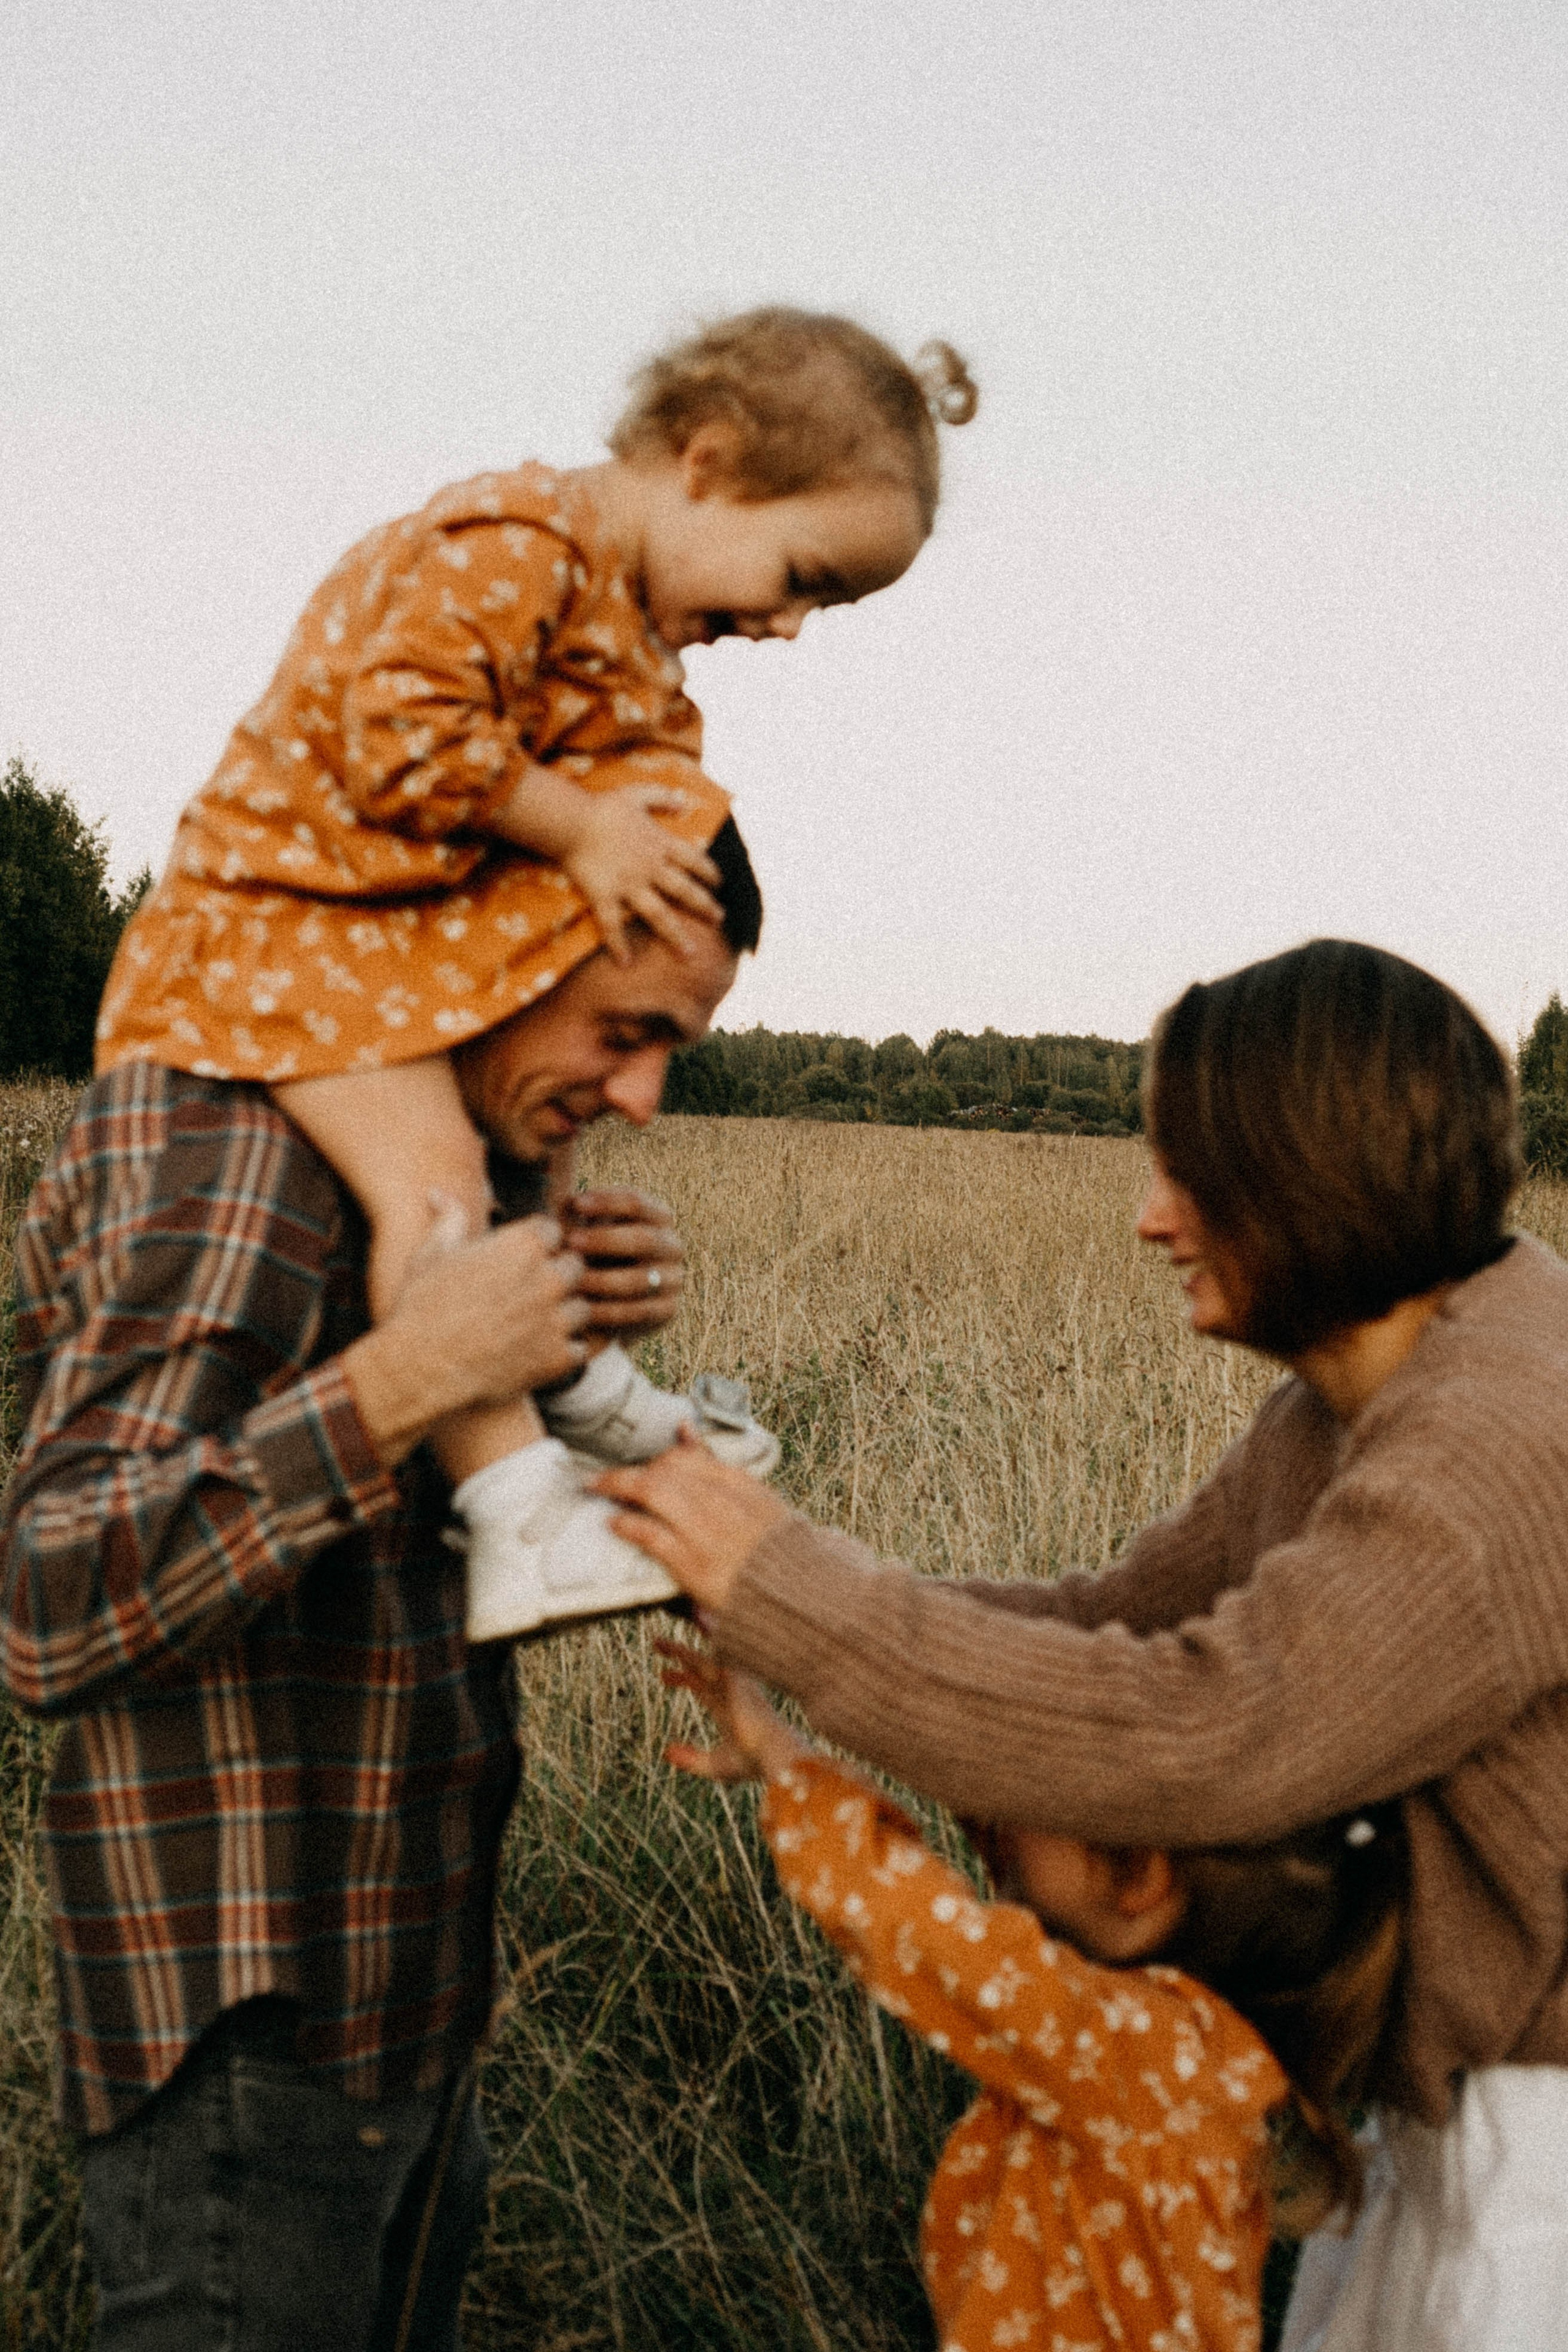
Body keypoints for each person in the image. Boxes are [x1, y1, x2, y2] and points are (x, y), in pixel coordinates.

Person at [601, 939, 1568, 2352]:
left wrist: (786, 1588)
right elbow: (1110, 1619)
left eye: (1186, 1171)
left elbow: (1210, 1731)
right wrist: (738, 1577)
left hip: (1534, 2170)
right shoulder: (1366, 1394)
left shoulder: (1497, 1438)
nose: (1147, 1219)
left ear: (1298, 1174)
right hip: (1453, 2125)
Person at [93, 307, 977, 1600]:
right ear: (707, 463)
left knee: (522, 1151)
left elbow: (663, 808)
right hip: (270, 934)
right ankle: (515, 1507)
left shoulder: (633, 648)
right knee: (437, 1191)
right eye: (802, 577)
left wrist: (580, 1259)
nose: (792, 627)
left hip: (374, 933)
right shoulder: (519, 546)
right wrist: (578, 830)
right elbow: (395, 729)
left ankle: (580, 1387)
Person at [0, 844, 756, 2352]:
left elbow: (449, 1548)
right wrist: (406, 1378)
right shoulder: (222, 1145)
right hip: (245, 2033)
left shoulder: (446, 1174)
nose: (643, 1097)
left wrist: (558, 1359)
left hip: (407, 1994)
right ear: (491, 950)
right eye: (623, 1032)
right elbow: (46, 1609)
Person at [658, 1635, 1406, 2352]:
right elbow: (1013, 1882)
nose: (1006, 1808)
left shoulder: (1140, 2051)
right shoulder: (1186, 2052)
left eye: (1042, 1789)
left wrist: (784, 1757)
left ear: (1139, 1874)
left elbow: (924, 1932)